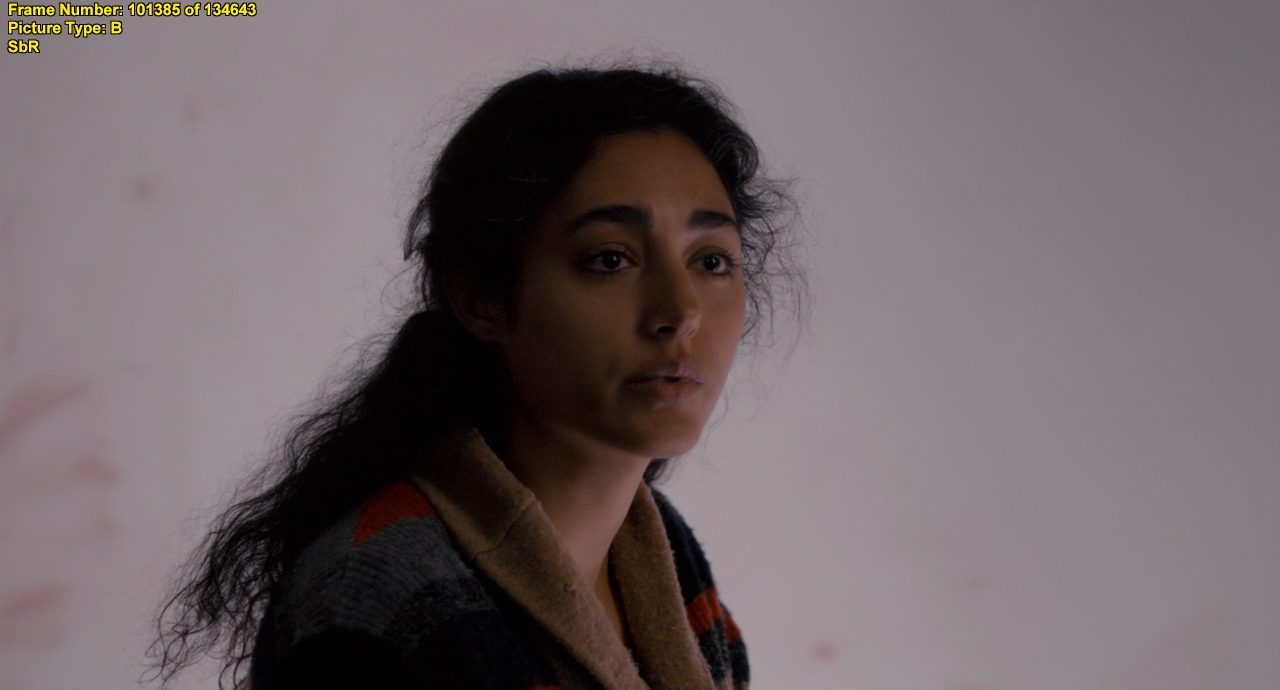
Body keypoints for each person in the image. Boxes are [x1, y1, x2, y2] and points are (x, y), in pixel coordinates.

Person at [151, 62, 806, 690]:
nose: (682, 312)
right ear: (480, 298)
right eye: (610, 259)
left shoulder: (668, 556)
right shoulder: (378, 589)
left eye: (712, 262)